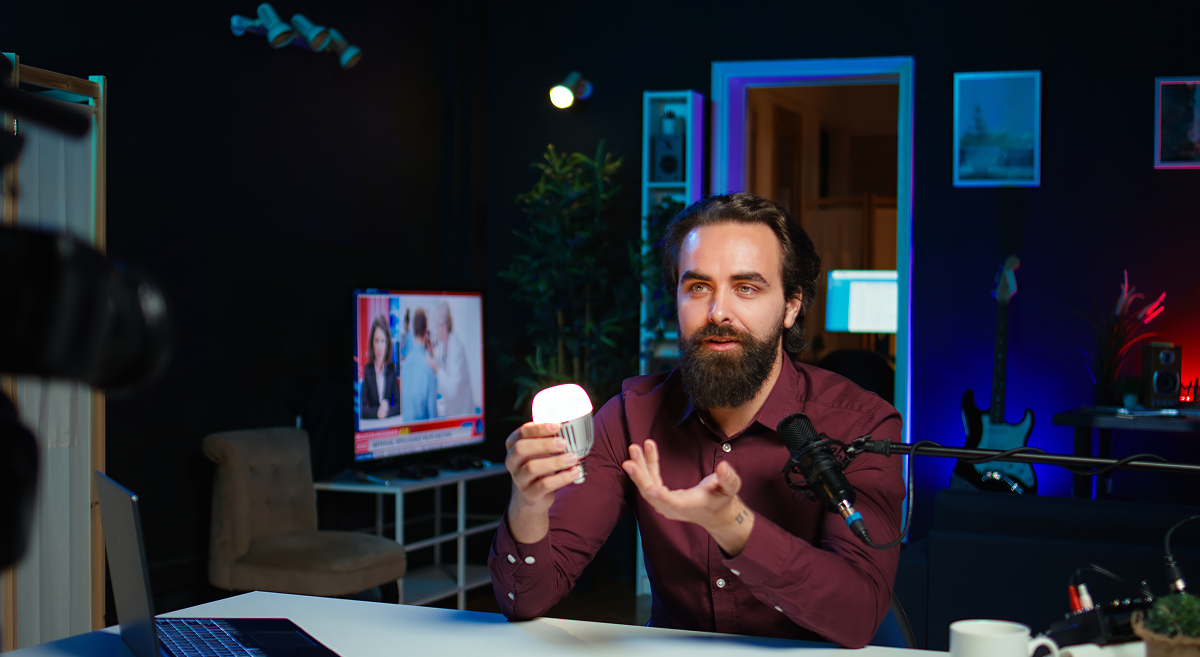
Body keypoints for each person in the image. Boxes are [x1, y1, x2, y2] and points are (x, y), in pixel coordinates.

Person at [489, 193, 904, 648]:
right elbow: (523, 599)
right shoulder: (630, 417)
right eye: (698, 287)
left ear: (791, 306)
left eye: (746, 288)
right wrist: (527, 506)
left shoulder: (862, 426)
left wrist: (734, 525)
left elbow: (859, 615)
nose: (717, 312)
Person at [426, 300, 475, 417]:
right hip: (453, 411)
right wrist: (431, 352)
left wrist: (437, 369)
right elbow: (438, 362)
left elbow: (452, 389)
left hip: (463, 412)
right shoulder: (444, 346)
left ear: (444, 327)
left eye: (436, 325)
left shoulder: (456, 348)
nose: (435, 330)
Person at [400, 308, 439, 422]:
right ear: (426, 332)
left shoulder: (405, 365)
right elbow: (433, 417)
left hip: (406, 433)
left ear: (413, 331)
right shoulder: (429, 367)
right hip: (423, 434)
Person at [360, 314, 401, 420]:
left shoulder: (391, 368)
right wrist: (378, 413)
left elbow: (399, 405)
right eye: (376, 341)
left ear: (387, 344)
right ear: (372, 343)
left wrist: (386, 411)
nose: (379, 346)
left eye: (382, 341)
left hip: (388, 424)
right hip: (373, 425)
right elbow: (362, 409)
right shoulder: (368, 369)